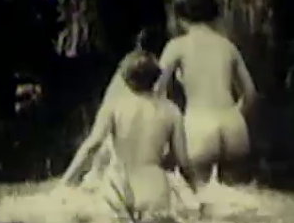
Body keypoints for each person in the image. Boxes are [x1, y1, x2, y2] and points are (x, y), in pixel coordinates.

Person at [59, 49, 200, 214]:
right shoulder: (171, 110)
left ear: (125, 78)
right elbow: (183, 162)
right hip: (154, 189)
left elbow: (92, 145)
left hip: (119, 188)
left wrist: (65, 182)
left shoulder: (113, 106)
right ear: (156, 77)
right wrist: (195, 190)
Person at [154, 0, 258, 183]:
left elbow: (157, 92)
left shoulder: (177, 46)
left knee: (199, 194)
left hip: (199, 125)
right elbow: (250, 93)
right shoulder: (228, 46)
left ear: (181, 18)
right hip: (234, 126)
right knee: (237, 195)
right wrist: (233, 114)